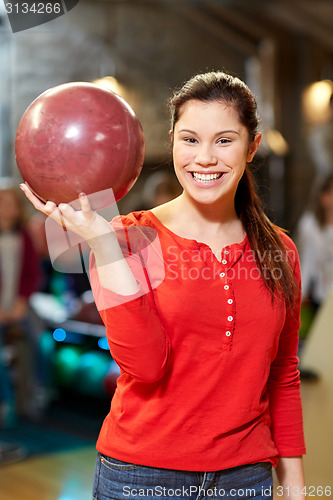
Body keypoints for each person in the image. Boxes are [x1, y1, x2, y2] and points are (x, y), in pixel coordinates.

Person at [20, 71, 306, 499]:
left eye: (224, 140)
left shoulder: (279, 251)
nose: (204, 158)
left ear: (252, 147)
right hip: (140, 478)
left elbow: (282, 374)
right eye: (189, 139)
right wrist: (102, 244)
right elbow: (146, 365)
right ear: (172, 141)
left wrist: (296, 485)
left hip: (246, 479)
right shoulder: (125, 238)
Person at [0, 186, 42, 425]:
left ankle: (35, 393)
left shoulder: (24, 236)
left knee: (40, 341)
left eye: (12, 204)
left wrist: (21, 301)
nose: (8, 209)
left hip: (18, 304)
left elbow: (31, 274)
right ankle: (6, 402)